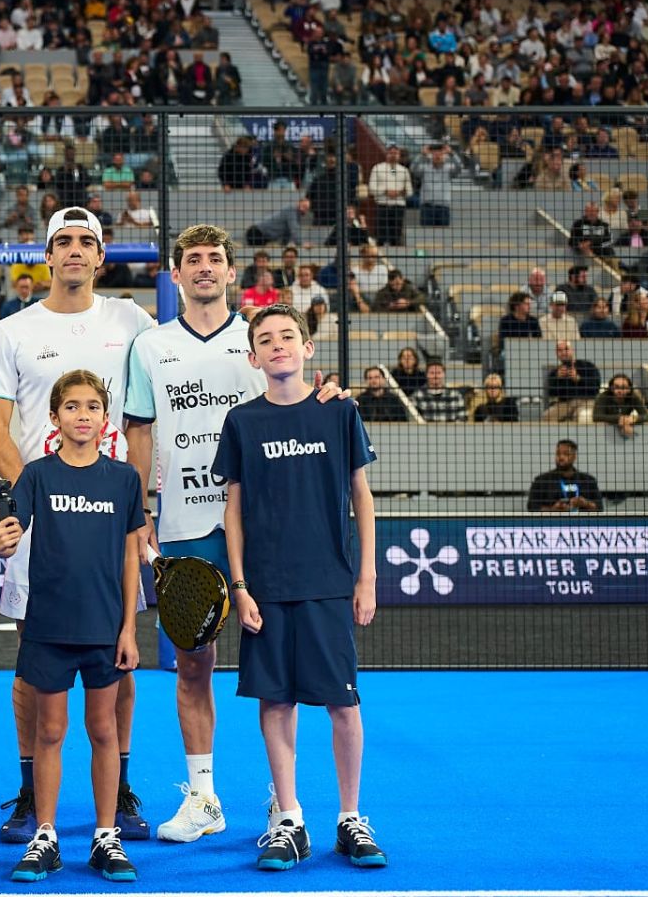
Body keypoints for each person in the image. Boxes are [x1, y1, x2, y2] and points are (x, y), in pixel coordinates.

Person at [120, 225, 347, 845]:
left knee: (280, 666)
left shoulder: (258, 340)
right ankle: (203, 797)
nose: (203, 268)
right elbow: (140, 434)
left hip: (264, 529)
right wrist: (141, 513)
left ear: (229, 272)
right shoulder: (149, 346)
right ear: (174, 274)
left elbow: (300, 396)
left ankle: (284, 801)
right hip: (184, 525)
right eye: (191, 259)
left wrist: (328, 391)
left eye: (214, 259)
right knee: (192, 665)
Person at [0, 206, 157, 844]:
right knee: (34, 664)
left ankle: (123, 790)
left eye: (87, 241)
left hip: (113, 520)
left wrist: (140, 507)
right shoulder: (12, 330)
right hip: (42, 526)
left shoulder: (134, 322)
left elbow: (142, 422)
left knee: (122, 654)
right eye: (64, 242)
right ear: (46, 255)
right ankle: (31, 794)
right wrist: (31, 496)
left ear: (101, 256)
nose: (76, 251)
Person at [213, 304, 386, 871]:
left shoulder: (340, 412)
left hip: (328, 585)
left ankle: (351, 818)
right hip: (265, 588)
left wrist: (367, 576)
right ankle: (289, 819)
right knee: (276, 701)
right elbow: (233, 512)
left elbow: (362, 497)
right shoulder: (241, 422)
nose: (278, 344)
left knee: (342, 703)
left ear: (308, 348)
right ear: (253, 356)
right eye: (266, 339)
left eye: (288, 336)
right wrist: (239, 586)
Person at [0, 372, 148, 893]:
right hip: (47, 628)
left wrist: (129, 628)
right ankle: (47, 836)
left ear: (107, 418)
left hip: (104, 630)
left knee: (103, 731)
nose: (83, 414)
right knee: (49, 732)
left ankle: (105, 836)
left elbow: (129, 558)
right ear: (54, 418)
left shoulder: (124, 480)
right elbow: (8, 535)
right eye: (72, 406)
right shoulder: (35, 475)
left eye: (93, 406)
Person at [526, 439, 602, 512]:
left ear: (574, 456)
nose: (561, 457)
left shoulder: (589, 481)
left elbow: (600, 508)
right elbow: (532, 508)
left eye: (566, 454)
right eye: (558, 453)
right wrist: (552, 510)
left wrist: (585, 504)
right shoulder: (541, 481)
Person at [542, 340, 601, 422]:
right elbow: (551, 393)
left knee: (584, 416)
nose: (563, 352)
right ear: (556, 354)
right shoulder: (554, 372)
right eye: (559, 350)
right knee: (547, 416)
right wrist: (557, 378)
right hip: (564, 403)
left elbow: (596, 387)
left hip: (586, 401)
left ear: (572, 350)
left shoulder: (587, 366)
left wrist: (579, 379)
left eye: (566, 349)